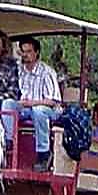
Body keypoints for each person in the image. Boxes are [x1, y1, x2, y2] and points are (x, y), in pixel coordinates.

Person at [16, 36, 63, 172]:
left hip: (50, 110)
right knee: (8, 107)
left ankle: (43, 153)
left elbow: (53, 101)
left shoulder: (47, 72)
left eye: (29, 51)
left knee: (38, 111)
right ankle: (8, 145)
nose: (25, 55)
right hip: (26, 109)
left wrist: (31, 103)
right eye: (23, 52)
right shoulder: (20, 71)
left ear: (36, 53)